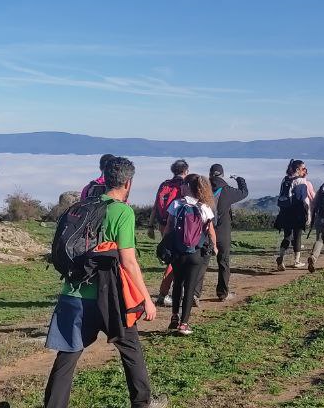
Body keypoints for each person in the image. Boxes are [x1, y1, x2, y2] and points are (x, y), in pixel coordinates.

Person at [45, 157, 162, 408]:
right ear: (128, 183)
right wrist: (146, 299)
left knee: (67, 357)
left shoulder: (81, 207)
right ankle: (142, 403)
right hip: (110, 298)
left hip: (73, 293)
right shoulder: (122, 212)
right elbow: (129, 262)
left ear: (105, 177)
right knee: (131, 350)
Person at [164, 174, 218, 335]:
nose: (181, 186)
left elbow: (168, 228)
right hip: (195, 253)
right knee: (189, 287)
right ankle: (184, 324)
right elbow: (210, 231)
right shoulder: (204, 207)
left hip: (177, 252)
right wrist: (214, 247)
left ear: (188, 187)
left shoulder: (176, 204)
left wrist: (167, 244)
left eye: (183, 184)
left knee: (177, 283)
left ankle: (174, 316)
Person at [151, 160, 189, 306]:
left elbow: (156, 206)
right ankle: (164, 293)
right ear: (186, 170)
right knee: (176, 258)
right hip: (179, 225)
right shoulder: (185, 184)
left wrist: (149, 225)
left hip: (163, 224)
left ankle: (167, 292)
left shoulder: (164, 184)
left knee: (171, 255)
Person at [208, 163, 247, 301]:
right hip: (223, 231)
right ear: (223, 175)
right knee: (223, 262)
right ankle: (222, 293)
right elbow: (244, 192)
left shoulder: (202, 189)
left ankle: (194, 294)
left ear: (210, 174)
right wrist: (239, 179)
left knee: (201, 264)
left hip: (205, 231)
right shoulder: (228, 191)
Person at [273, 159, 314, 271]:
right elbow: (304, 199)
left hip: (285, 211)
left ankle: (281, 257)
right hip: (297, 212)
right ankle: (297, 261)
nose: (305, 170)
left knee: (287, 236)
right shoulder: (300, 181)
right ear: (298, 169)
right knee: (297, 236)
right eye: (303, 168)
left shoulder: (284, 179)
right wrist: (308, 215)